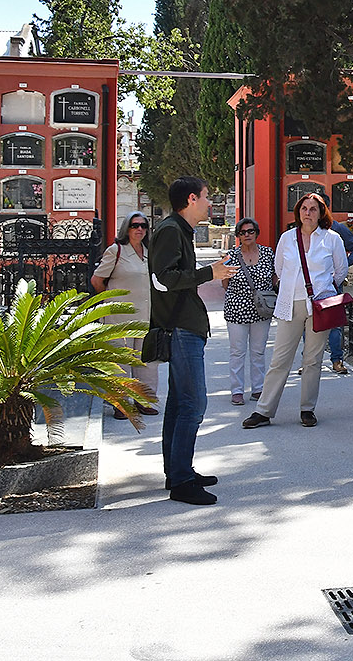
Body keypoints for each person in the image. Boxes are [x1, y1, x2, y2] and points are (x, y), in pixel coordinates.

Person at [149, 176, 236, 505]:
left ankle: (178, 471)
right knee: (193, 405)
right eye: (206, 196)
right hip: (181, 330)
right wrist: (209, 273)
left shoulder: (178, 230)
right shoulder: (171, 230)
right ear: (191, 199)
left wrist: (209, 272)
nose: (210, 203)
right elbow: (162, 279)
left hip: (186, 328)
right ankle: (182, 482)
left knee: (179, 405)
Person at [241, 192, 349, 429]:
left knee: (313, 360)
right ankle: (264, 411)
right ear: (298, 212)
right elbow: (279, 269)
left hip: (319, 306)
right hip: (290, 304)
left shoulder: (332, 239)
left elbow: (341, 271)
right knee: (280, 359)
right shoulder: (288, 238)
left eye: (313, 209)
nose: (308, 213)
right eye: (304, 208)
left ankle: (307, 409)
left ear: (321, 213)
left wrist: (323, 289)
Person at [91, 210, 157, 419]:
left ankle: (144, 400)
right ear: (126, 228)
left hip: (145, 315)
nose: (139, 229)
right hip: (120, 318)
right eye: (135, 225)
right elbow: (97, 280)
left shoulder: (149, 252)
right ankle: (120, 404)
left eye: (143, 226)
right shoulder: (116, 251)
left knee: (146, 361)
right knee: (120, 363)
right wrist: (111, 301)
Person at [221, 217, 275, 406]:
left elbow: (275, 278)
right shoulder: (231, 256)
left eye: (250, 231)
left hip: (262, 310)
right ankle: (237, 390)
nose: (247, 235)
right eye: (242, 232)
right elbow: (225, 282)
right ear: (238, 235)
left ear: (256, 233)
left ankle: (258, 388)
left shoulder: (268, 254)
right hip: (237, 309)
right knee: (237, 351)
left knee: (258, 351)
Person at [323, 210, 353, 374]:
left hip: (333, 283)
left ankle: (337, 360)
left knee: (335, 323)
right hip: (310, 285)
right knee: (309, 322)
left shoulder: (336, 229)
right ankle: (308, 361)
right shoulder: (305, 231)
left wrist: (343, 266)